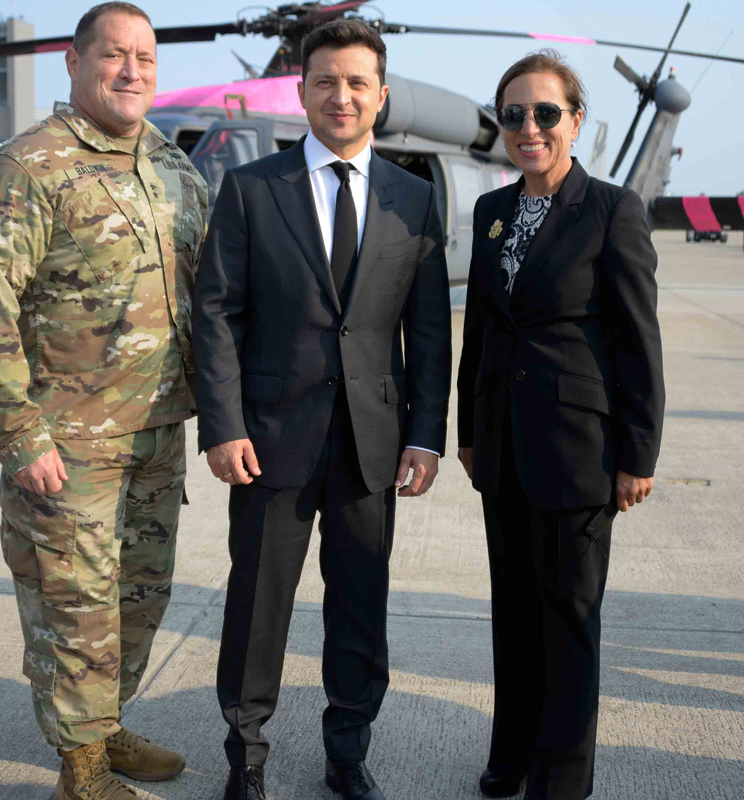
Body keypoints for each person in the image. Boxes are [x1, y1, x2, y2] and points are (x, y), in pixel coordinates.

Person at [0, 4, 207, 798]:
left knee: (140, 592)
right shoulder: (28, 166)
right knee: (76, 605)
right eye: (114, 55)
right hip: (68, 440)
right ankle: (80, 767)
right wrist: (19, 436)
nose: (132, 71)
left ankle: (109, 725)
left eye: (147, 58)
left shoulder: (173, 167)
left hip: (158, 433)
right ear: (73, 59)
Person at [193, 19, 451, 800]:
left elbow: (430, 330)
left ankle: (348, 751)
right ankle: (248, 758)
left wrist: (426, 435)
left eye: (357, 83)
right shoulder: (251, 189)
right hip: (269, 441)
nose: (341, 96)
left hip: (373, 444)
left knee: (360, 608)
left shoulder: (414, 197)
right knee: (256, 607)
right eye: (326, 81)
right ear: (302, 90)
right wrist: (224, 424)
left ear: (380, 95)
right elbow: (217, 314)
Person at [456, 51, 665, 800]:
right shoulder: (491, 212)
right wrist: (468, 434)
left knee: (568, 621)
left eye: (546, 113)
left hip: (580, 450)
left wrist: (638, 454)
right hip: (503, 450)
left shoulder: (612, 210)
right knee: (512, 612)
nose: (529, 127)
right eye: (514, 114)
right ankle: (511, 752)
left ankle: (561, 777)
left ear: (577, 121)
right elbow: (481, 329)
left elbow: (639, 341)